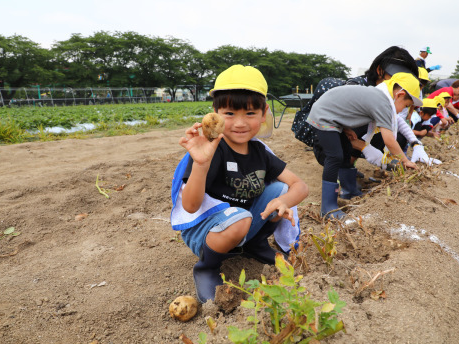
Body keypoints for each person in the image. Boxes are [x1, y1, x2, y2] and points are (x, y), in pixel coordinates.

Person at [170, 65, 309, 303]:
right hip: (205, 232)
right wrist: (201, 164)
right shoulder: (211, 150)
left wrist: (283, 201)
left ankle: (254, 245)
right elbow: (191, 206)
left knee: (280, 189)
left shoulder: (259, 151)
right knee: (240, 217)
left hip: (241, 223)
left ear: (264, 113)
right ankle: (207, 267)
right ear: (215, 113)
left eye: (250, 113)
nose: (240, 123)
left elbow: (300, 186)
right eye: (230, 113)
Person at [306, 72, 421, 219]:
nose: (401, 111)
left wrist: (346, 127)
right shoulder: (383, 102)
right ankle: (328, 208)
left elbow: (345, 105)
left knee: (347, 149)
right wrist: (405, 160)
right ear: (399, 94)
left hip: (333, 114)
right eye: (405, 106)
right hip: (324, 115)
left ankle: (350, 190)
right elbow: (389, 140)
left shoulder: (380, 97)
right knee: (334, 156)